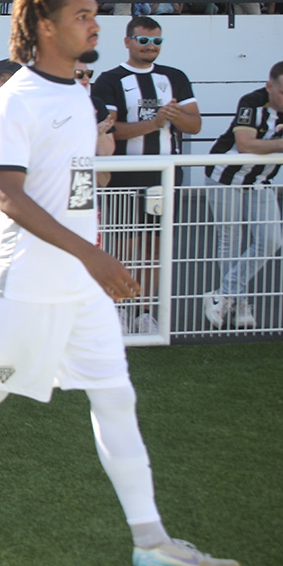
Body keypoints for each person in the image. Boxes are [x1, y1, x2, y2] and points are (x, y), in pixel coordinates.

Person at [0, 0, 240, 566]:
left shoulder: (79, 94)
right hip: (25, 279)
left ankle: (151, 541)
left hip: (81, 282)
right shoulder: (15, 98)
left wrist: (91, 252)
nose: (95, 25)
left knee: (116, 396)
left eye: (95, 14)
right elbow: (9, 198)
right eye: (82, 16)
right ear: (46, 26)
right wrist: (95, 255)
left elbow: (78, 185)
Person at [91, 18, 200, 334]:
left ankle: (144, 311)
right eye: (143, 40)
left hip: (163, 176)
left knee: (155, 247)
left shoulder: (175, 77)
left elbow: (194, 125)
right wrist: (154, 123)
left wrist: (174, 116)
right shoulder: (110, 79)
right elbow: (110, 129)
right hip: (124, 175)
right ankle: (116, 309)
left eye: (157, 41)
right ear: (128, 41)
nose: (150, 47)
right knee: (123, 247)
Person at [203, 60, 283, 329]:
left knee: (271, 240)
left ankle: (225, 294)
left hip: (261, 179)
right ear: (270, 86)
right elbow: (245, 144)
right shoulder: (251, 101)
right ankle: (237, 300)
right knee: (230, 238)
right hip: (225, 175)